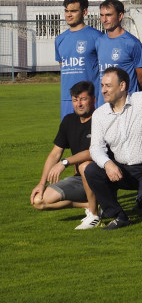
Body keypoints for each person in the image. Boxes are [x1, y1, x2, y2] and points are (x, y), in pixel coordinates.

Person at [84, 67, 142, 230]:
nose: (103, 90)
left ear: (122, 86)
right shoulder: (99, 114)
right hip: (123, 169)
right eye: (102, 85)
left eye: (108, 85)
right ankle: (119, 216)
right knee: (92, 171)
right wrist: (107, 163)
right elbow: (95, 148)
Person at [30, 81, 100, 229]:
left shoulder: (101, 119)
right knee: (39, 201)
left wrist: (65, 162)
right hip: (78, 181)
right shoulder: (69, 121)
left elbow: (93, 152)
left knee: (85, 166)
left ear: (93, 100)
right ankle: (89, 205)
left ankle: (94, 215)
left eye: (83, 99)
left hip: (100, 178)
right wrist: (42, 183)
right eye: (75, 100)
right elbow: (55, 153)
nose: (79, 104)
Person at [56, 0, 102, 118]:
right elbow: (62, 66)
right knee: (70, 136)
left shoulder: (97, 37)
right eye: (66, 11)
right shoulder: (60, 39)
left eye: (73, 11)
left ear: (84, 11)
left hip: (90, 98)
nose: (69, 14)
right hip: (67, 99)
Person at [95, 0, 142, 97]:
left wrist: (128, 95)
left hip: (125, 104)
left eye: (109, 15)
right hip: (103, 103)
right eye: (102, 15)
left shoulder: (132, 43)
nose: (104, 19)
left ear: (120, 16)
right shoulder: (99, 42)